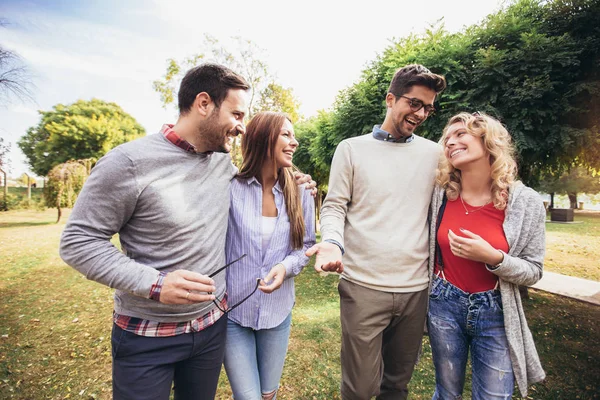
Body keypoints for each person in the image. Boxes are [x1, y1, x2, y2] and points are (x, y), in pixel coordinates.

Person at [59, 64, 314, 400]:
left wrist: (295, 181)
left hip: (210, 330)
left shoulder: (223, 166)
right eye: (236, 114)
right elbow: (78, 242)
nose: (241, 127)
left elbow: (259, 185)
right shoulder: (129, 162)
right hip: (147, 335)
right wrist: (156, 284)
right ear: (204, 103)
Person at [306, 64, 446, 400]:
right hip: (363, 287)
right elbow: (335, 205)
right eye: (414, 103)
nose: (421, 114)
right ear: (390, 99)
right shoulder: (351, 148)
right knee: (360, 389)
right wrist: (333, 244)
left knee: (396, 385)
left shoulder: (434, 154)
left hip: (416, 291)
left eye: (428, 107)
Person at [427, 112, 546, 399]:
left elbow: (534, 270)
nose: (450, 142)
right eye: (447, 139)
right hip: (443, 303)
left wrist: (494, 257)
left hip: (496, 310)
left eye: (460, 134)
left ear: (487, 140)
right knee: (446, 392)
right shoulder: (440, 194)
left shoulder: (525, 201)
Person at [222, 111, 316, 400]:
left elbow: (305, 246)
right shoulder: (229, 187)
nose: (295, 142)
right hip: (233, 314)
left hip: (277, 312)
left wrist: (285, 267)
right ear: (264, 139)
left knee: (267, 394)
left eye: (293, 135)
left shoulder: (301, 191)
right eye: (286, 134)